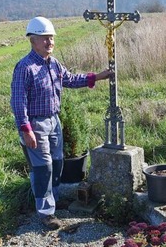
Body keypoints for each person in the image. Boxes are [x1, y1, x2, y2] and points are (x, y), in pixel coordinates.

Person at [10, 16, 110, 230]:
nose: (49, 43)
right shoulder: (25, 68)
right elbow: (18, 102)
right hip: (36, 125)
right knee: (43, 167)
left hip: (54, 121)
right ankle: (46, 213)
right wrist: (26, 130)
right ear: (32, 41)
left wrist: (97, 77)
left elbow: (70, 79)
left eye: (52, 38)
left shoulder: (53, 64)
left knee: (57, 164)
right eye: (44, 39)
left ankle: (52, 201)